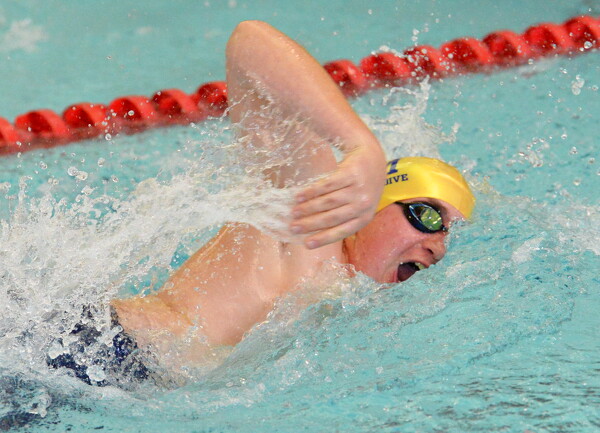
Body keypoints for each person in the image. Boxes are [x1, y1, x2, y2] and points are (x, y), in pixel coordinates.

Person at [48, 21, 475, 383]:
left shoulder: (350, 299)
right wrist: (361, 146)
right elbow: (250, 42)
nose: (438, 245)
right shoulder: (312, 222)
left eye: (449, 234)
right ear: (369, 203)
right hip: (93, 351)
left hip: (120, 380)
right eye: (427, 215)